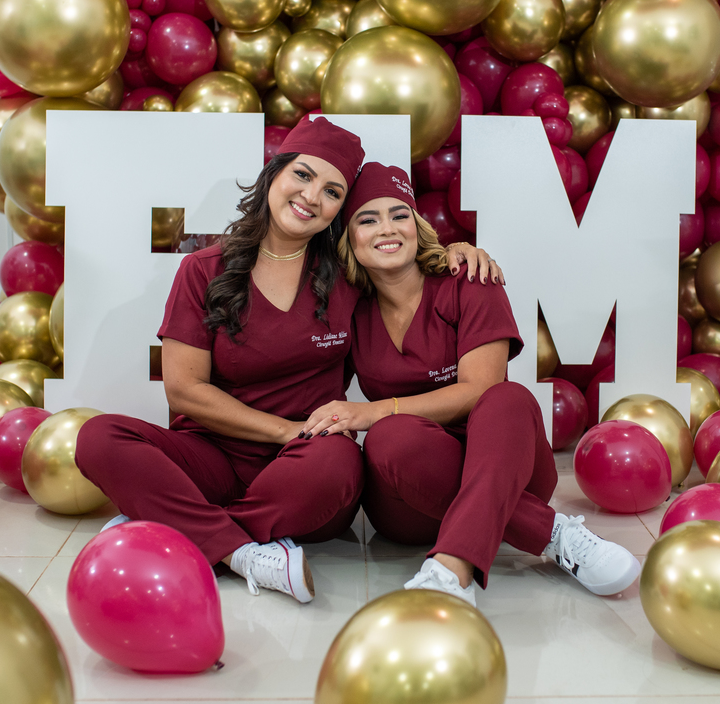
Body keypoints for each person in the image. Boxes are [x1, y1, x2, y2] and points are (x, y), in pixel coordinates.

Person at [75, 119, 496, 605]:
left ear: (339, 210)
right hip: (213, 454)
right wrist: (281, 430)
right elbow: (184, 389)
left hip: (309, 463)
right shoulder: (202, 270)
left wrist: (457, 252)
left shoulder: (350, 273)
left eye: (333, 191)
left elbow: (406, 266)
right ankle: (241, 551)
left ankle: (182, 522)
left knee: (339, 463)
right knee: (97, 436)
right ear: (273, 173)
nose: (312, 196)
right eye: (302, 175)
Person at [300, 163, 640, 606]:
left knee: (507, 397)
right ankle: (551, 532)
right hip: (410, 499)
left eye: (400, 215)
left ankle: (451, 569)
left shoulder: (469, 280)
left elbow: (478, 389)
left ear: (418, 227)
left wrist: (373, 410)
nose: (387, 228)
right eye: (368, 219)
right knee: (388, 438)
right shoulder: (347, 309)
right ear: (349, 240)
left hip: (509, 469)